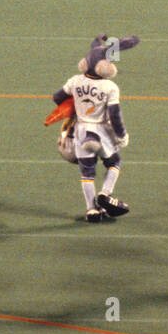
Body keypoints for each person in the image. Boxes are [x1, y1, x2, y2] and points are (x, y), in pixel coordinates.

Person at [50, 34, 137, 223]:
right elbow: (115, 115)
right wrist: (121, 135)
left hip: (80, 129)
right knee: (114, 162)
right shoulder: (109, 86)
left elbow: (57, 98)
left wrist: (73, 109)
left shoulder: (75, 81)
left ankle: (91, 210)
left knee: (87, 172)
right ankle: (105, 193)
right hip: (101, 130)